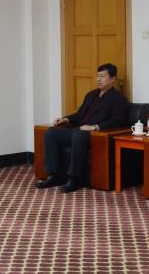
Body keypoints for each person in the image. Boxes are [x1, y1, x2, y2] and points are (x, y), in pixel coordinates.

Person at [37, 63, 129, 193]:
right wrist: (65, 119)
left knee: (78, 135)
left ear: (112, 79)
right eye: (97, 76)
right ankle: (53, 175)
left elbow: (117, 121)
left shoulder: (118, 99)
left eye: (102, 76)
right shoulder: (91, 95)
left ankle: (73, 178)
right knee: (51, 133)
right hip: (78, 130)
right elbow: (79, 114)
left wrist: (94, 127)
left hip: (95, 134)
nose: (98, 79)